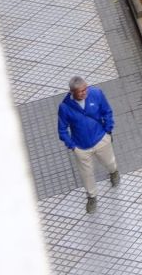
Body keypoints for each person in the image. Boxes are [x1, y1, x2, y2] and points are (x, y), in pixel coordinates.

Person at [58, 76, 118, 213]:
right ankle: (92, 197)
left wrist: (108, 130)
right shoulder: (65, 107)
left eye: (86, 89)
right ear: (72, 92)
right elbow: (62, 129)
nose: (85, 93)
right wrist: (72, 146)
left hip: (101, 139)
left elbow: (107, 111)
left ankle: (114, 172)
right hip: (81, 147)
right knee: (87, 174)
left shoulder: (96, 93)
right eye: (81, 91)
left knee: (110, 162)